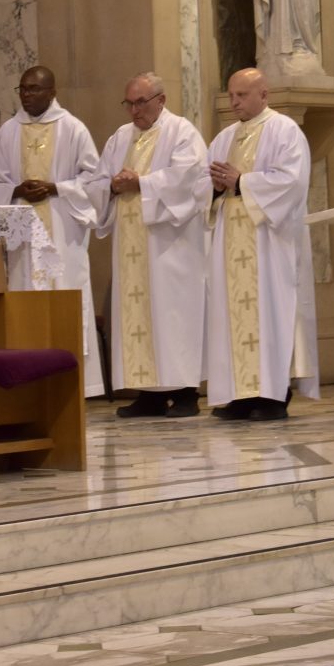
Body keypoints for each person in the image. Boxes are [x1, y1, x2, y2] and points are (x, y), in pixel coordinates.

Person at [198, 67, 319, 420]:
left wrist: (241, 182)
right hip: (228, 244)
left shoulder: (285, 131)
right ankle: (238, 395)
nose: (234, 102)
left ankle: (272, 396)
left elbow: (292, 183)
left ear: (263, 94)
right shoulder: (223, 139)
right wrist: (215, 189)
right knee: (230, 315)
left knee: (269, 313)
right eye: (231, 95)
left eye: (242, 95)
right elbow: (201, 185)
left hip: (270, 244)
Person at [89, 73, 208, 418]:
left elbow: (190, 179)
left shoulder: (182, 132)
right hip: (131, 245)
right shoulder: (119, 138)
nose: (134, 111)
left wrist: (141, 182)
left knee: (173, 315)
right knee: (138, 316)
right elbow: (97, 182)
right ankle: (149, 392)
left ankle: (186, 393)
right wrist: (112, 187)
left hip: (171, 245)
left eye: (141, 102)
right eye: (129, 103)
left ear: (161, 100)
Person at [0, 66, 103, 397]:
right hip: (23, 237)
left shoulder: (73, 129)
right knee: (25, 296)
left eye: (34, 89)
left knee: (65, 293)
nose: (27, 95)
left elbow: (94, 179)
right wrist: (16, 189)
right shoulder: (8, 132)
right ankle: (28, 383)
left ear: (52, 92)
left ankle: (74, 384)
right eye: (22, 88)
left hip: (62, 232)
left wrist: (56, 188)